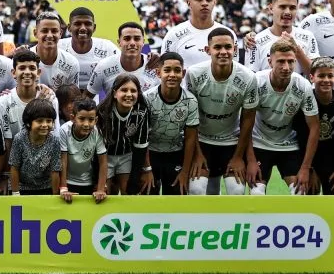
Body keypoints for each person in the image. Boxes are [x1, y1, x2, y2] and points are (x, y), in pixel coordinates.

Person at [185, 28, 258, 195]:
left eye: (228, 47)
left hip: (231, 142)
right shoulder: (194, 74)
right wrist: (197, 154)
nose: (223, 52)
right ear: (207, 50)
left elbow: (248, 119)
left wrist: (238, 157)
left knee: (237, 190)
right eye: (217, 47)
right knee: (196, 190)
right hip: (201, 141)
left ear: (235, 49)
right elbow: (190, 117)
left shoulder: (248, 77)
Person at [247, 40, 319, 195]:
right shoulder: (256, 82)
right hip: (259, 142)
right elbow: (246, 122)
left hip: (289, 144)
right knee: (256, 193)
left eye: (291, 61)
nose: (286, 67)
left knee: (300, 193)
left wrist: (306, 167)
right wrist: (251, 161)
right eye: (280, 61)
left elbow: (314, 127)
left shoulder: (303, 85)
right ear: (270, 62)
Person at [143, 52, 199, 195]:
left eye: (177, 70)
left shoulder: (191, 101)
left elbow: (191, 138)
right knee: (147, 197)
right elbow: (141, 137)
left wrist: (185, 171)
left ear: (183, 73)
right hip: (150, 155)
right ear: (158, 73)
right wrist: (146, 169)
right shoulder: (147, 99)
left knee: (176, 198)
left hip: (175, 154)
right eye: (167, 70)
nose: (172, 75)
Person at [94, 74, 154, 195]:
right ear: (115, 93)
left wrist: (143, 172)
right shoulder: (102, 112)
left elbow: (141, 146)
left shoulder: (141, 112)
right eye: (124, 90)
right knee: (105, 193)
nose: (129, 94)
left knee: (129, 192)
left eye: (133, 91)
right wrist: (98, 179)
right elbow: (96, 147)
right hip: (105, 156)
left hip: (127, 156)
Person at [294, 57, 334, 195]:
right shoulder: (305, 101)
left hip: (333, 159)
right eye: (321, 76)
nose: (326, 80)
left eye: (330, 76)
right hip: (309, 158)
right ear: (312, 78)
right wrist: (309, 169)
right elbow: (301, 138)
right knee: (305, 191)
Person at [243, 0, 319, 74]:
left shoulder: (308, 37)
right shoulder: (254, 41)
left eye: (292, 8)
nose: (287, 12)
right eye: (282, 7)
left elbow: (315, 74)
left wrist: (297, 50)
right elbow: (250, 77)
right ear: (271, 8)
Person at [0, 50, 60, 151]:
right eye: (22, 68)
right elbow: (7, 141)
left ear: (38, 73)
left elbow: (54, 135)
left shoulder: (50, 99)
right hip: (15, 157)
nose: (27, 72)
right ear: (14, 73)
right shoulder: (4, 101)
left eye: (32, 68)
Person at [162, 0, 236, 67]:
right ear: (188, 2)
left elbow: (235, 69)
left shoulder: (228, 35)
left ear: (214, 2)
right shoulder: (173, 35)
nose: (204, 3)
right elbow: (164, 68)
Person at [85, 22, 160, 98]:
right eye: (127, 39)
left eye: (137, 39)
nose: (132, 43)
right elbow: (87, 97)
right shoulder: (103, 66)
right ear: (119, 42)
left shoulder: (155, 65)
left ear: (143, 42)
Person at [58, 97, 108, 202]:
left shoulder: (97, 132)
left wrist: (100, 189)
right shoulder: (64, 130)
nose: (86, 124)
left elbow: (103, 162)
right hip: (68, 181)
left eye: (91, 120)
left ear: (96, 120)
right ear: (72, 118)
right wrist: (63, 188)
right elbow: (63, 160)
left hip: (88, 181)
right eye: (81, 119)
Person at [58, 7, 119, 91]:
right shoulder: (58, 47)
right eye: (77, 24)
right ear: (69, 28)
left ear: (94, 27)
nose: (83, 28)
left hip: (97, 97)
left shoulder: (107, 47)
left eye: (87, 24)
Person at [9, 99, 61, 196]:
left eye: (49, 121)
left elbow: (55, 170)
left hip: (45, 187)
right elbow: (14, 167)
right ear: (28, 123)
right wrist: (15, 193)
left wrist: (55, 195)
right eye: (39, 121)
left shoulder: (55, 141)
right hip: (21, 187)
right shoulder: (19, 139)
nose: (45, 125)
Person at [30, 11, 80, 89]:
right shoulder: (22, 60)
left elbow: (72, 95)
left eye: (54, 31)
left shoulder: (71, 63)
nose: (50, 35)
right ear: (35, 33)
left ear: (60, 33)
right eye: (44, 31)